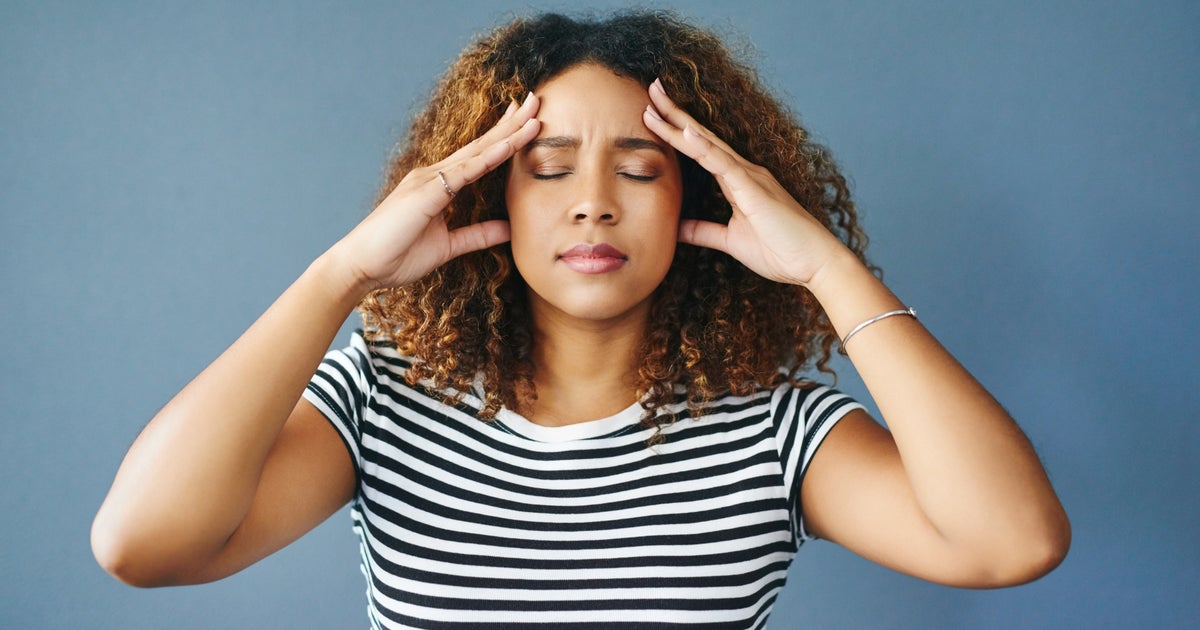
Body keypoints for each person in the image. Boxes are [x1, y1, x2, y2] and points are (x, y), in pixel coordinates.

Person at [91, 10, 1070, 628]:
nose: (593, 202)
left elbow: (1011, 542)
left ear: (701, 193)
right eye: (549, 168)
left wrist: (828, 267)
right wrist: (341, 275)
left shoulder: (774, 430)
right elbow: (143, 545)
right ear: (490, 200)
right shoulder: (382, 403)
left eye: (640, 169)